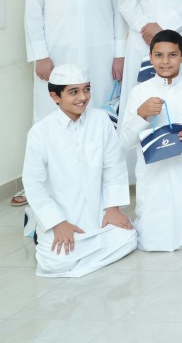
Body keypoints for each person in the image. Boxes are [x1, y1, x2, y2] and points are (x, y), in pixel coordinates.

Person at [20, 0, 127, 208]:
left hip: (101, 56)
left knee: (100, 116)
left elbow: (118, 13)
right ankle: (43, 184)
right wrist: (40, 55)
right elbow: (32, 15)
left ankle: (103, 183)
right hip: (56, 57)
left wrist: (120, 55)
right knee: (50, 114)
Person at [22, 64, 137, 277]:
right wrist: (57, 223)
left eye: (87, 89)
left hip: (98, 212)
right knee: (54, 263)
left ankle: (82, 258)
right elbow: (33, 184)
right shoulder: (40, 132)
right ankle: (71, 249)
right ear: (55, 96)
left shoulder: (101, 120)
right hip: (62, 215)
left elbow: (114, 165)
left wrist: (112, 208)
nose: (83, 97)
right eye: (73, 92)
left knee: (128, 238)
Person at [119, 29, 182, 251]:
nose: (165, 61)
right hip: (154, 181)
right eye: (159, 55)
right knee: (155, 236)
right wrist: (141, 115)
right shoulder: (139, 93)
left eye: (172, 55)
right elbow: (125, 141)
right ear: (151, 57)